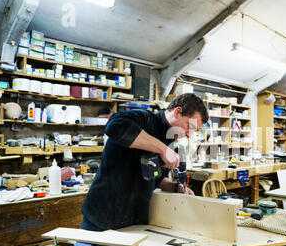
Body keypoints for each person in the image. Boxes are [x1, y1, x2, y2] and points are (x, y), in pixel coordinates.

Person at [80, 93, 209, 231]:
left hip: (135, 221)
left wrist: (176, 187)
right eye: (189, 126)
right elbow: (114, 125)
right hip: (102, 217)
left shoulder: (170, 140)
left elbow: (156, 179)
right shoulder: (144, 118)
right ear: (177, 112)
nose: (189, 134)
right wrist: (162, 149)